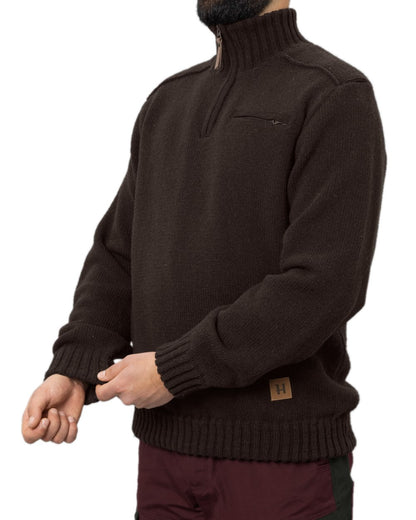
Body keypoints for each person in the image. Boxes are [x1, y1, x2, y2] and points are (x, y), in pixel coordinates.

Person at [22, 0, 387, 518]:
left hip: (282, 463)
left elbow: (322, 286)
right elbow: (118, 255)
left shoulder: (333, 94)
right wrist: (75, 369)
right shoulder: (167, 101)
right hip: (165, 459)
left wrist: (173, 370)